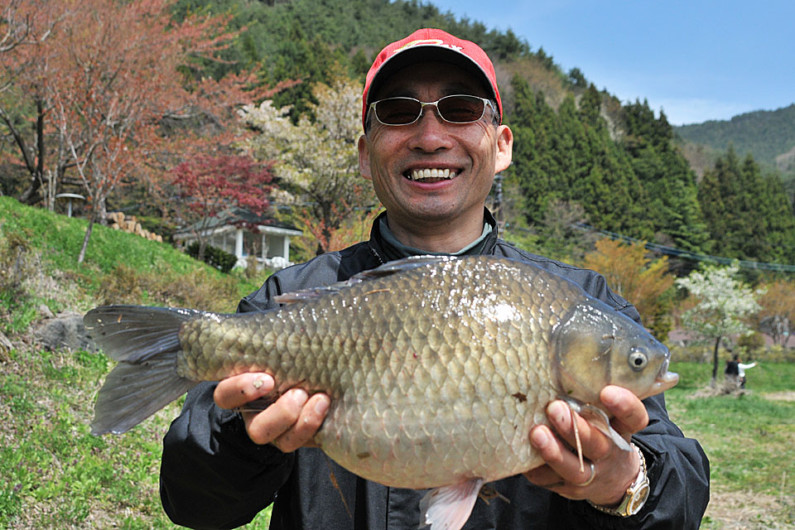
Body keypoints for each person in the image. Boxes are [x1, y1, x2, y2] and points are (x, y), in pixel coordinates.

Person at [160, 28, 710, 529]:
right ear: (364, 152)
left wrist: (625, 481)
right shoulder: (286, 302)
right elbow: (191, 502)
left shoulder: (585, 307)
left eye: (460, 109)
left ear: (502, 146)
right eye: (399, 112)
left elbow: (683, 495)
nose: (429, 136)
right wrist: (245, 433)